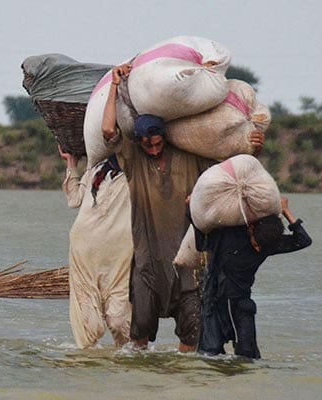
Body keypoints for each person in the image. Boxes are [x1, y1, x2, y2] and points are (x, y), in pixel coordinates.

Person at [101, 63, 265, 352]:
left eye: (157, 143)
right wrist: (114, 85)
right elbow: (107, 130)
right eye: (147, 145)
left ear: (165, 137)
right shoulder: (133, 161)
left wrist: (252, 145)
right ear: (139, 143)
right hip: (148, 262)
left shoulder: (192, 155)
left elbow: (233, 164)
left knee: (191, 338)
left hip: (189, 263)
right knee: (138, 339)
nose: (152, 149)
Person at [193, 197, 312, 359]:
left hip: (241, 302)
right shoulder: (230, 235)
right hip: (214, 301)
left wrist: (285, 211)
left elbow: (303, 240)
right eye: (256, 243)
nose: (258, 249)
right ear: (251, 229)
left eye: (261, 247)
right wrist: (190, 210)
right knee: (210, 352)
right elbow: (201, 244)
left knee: (249, 356)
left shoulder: (270, 243)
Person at [59, 145, 133, 348]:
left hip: (120, 255)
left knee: (120, 321)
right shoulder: (96, 170)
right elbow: (74, 199)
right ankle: (90, 366)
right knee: (88, 323)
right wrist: (71, 165)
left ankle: (125, 367)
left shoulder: (139, 173)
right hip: (84, 251)